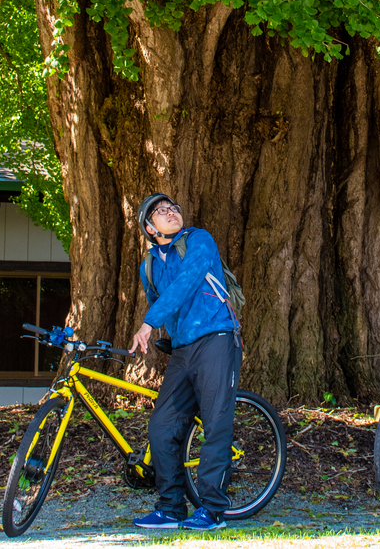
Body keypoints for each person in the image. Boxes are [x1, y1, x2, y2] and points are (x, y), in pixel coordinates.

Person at [129, 193, 242, 532]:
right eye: (161, 211)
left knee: (215, 423)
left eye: (173, 208)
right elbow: (162, 299)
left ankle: (212, 509)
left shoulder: (198, 240)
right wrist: (167, 331)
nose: (171, 213)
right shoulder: (148, 266)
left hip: (217, 338)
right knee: (162, 425)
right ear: (150, 228)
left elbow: (187, 282)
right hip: (183, 349)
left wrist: (149, 322)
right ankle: (171, 506)